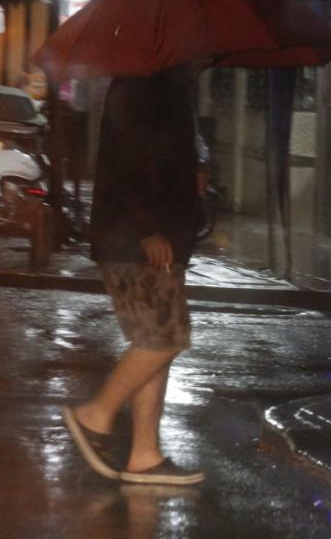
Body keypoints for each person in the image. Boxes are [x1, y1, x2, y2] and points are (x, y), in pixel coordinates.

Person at [62, 60, 206, 487]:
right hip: (137, 241)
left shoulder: (169, 86)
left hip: (160, 239)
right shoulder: (142, 87)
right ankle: (96, 414)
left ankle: (145, 454)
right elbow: (128, 163)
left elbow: (160, 161)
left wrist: (189, 177)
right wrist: (146, 230)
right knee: (166, 338)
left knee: (154, 337)